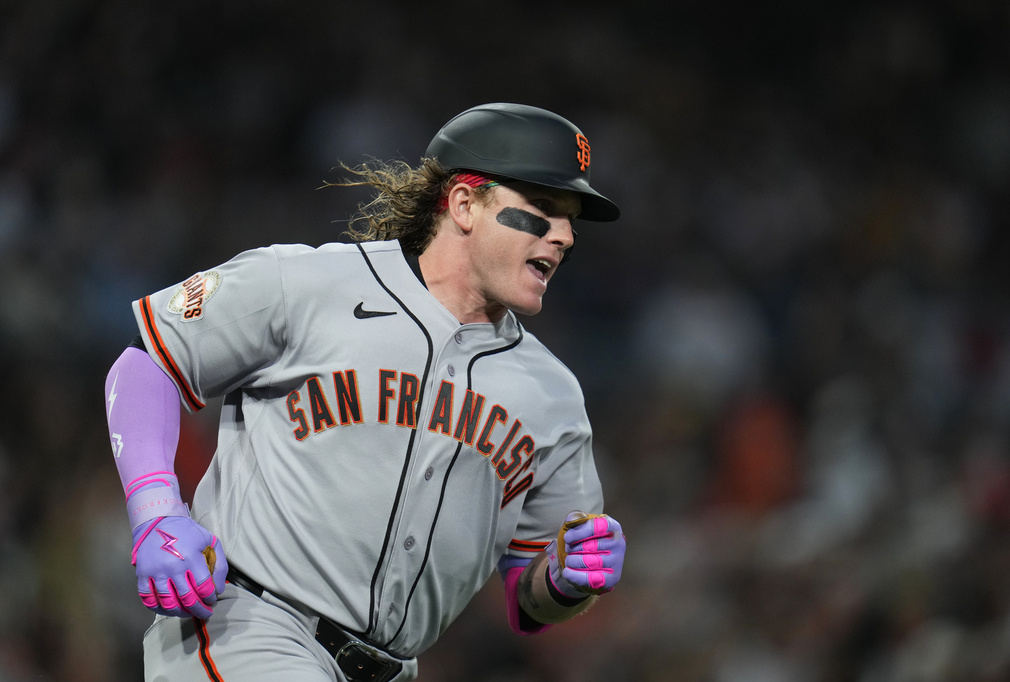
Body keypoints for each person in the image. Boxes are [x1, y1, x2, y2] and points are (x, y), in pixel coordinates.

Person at [103, 102, 627, 681]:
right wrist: (155, 511)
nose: (565, 236)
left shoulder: (552, 394)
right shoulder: (311, 284)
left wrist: (563, 582)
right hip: (247, 628)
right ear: (463, 204)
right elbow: (149, 358)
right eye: (542, 210)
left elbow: (527, 601)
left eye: (570, 220)